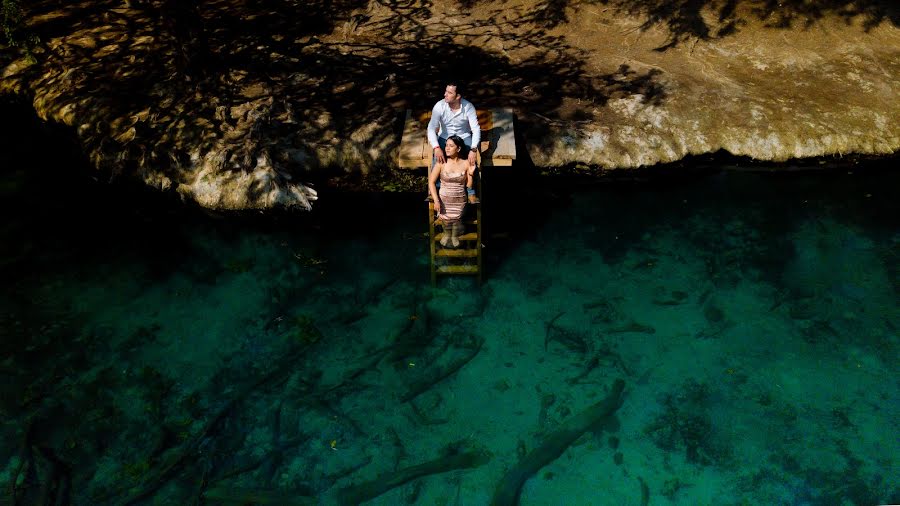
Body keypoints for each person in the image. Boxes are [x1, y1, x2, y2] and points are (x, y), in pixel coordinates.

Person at [427, 83, 480, 203]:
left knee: (471, 160)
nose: (445, 94)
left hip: (463, 136)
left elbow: (475, 129)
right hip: (445, 136)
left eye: (449, 93)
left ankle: (471, 192)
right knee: (437, 158)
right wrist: (436, 147)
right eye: (446, 91)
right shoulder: (439, 106)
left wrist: (473, 149)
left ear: (458, 96)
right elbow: (431, 128)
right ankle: (435, 189)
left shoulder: (468, 107)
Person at [429, 135, 476, 248]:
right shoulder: (441, 163)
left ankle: (454, 235)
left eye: (451, 146)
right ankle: (447, 233)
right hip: (444, 200)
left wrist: (470, 174)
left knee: (456, 220)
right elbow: (431, 182)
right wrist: (436, 201)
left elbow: (469, 186)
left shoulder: (466, 163)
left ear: (458, 149)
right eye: (446, 145)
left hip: (459, 200)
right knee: (446, 219)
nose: (447, 148)